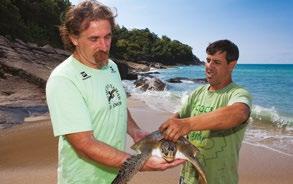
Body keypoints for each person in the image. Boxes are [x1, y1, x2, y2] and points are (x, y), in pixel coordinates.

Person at [46, 1, 183, 183]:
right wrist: (138, 163)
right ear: (74, 38)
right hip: (84, 179)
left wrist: (135, 131)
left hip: (117, 173)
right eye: (94, 39)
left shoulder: (110, 66)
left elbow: (116, 103)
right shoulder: (64, 79)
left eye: (108, 37)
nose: (104, 46)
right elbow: (84, 144)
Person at [160, 39, 252, 184]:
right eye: (208, 60)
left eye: (216, 62)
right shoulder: (197, 93)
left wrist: (188, 124)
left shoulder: (238, 93)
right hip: (187, 178)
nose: (209, 66)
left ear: (232, 65)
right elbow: (177, 119)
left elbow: (239, 113)